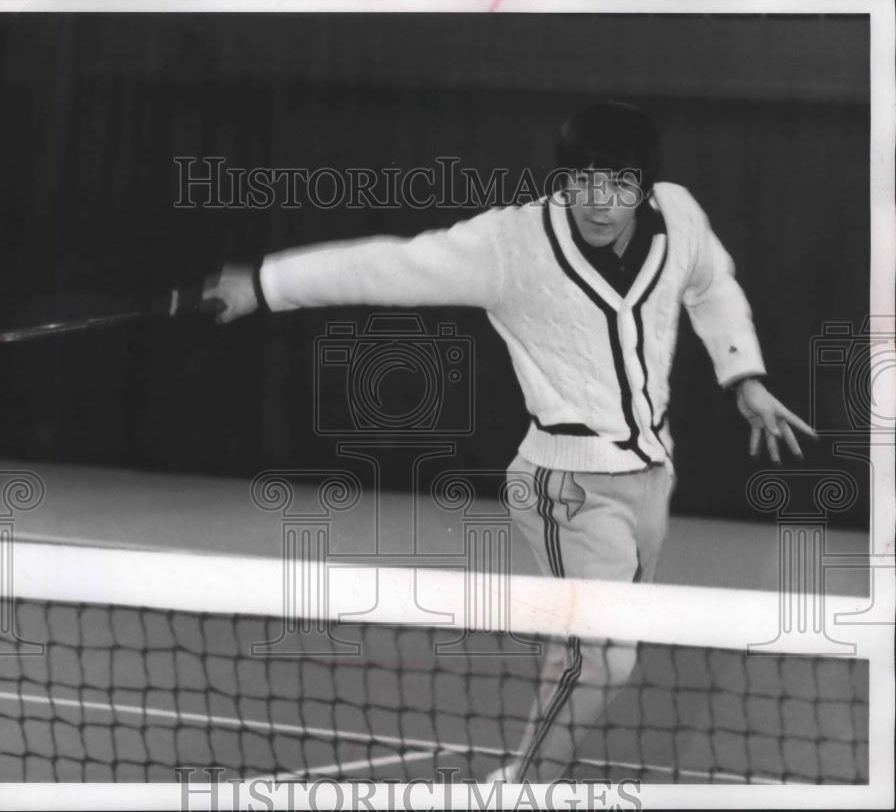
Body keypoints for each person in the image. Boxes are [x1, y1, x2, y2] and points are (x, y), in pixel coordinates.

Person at [202, 101, 817, 781]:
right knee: (603, 658)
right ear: (562, 182)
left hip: (651, 476)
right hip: (565, 487)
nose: (599, 201)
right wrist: (265, 284)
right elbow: (388, 267)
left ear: (644, 187)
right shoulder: (512, 246)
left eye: (618, 183)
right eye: (582, 181)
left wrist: (743, 377)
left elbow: (713, 287)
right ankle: (518, 791)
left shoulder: (679, 219)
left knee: (604, 647)